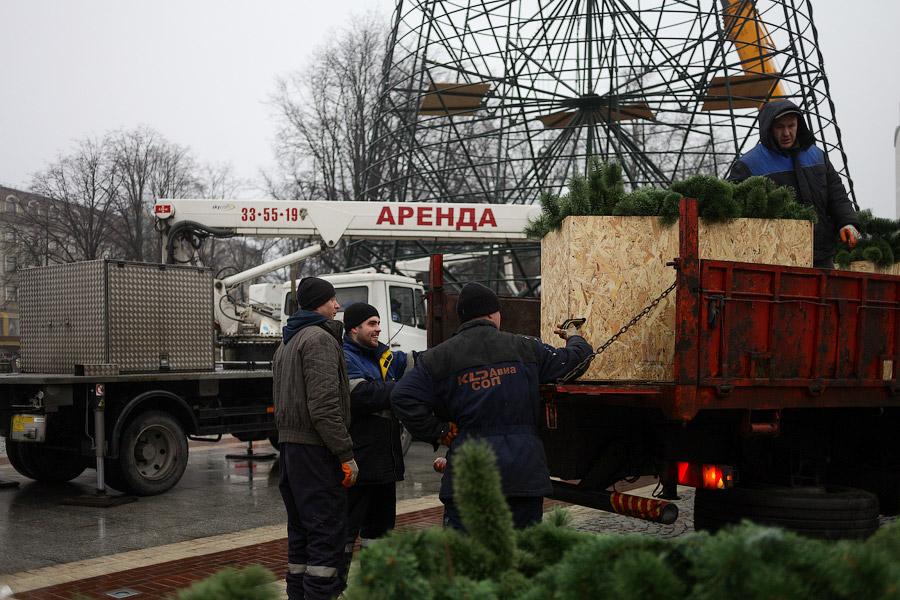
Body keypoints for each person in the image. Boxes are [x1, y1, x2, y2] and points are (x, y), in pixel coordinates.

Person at [391, 282, 593, 530]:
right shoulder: (526, 347)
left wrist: (439, 431)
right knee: (522, 558)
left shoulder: (438, 357)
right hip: (522, 475)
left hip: (469, 476)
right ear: (492, 314)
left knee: (467, 560)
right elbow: (575, 361)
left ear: (463, 317)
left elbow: (402, 396)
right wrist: (574, 337)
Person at [272, 276, 358, 600]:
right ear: (320, 303)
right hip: (316, 453)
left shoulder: (286, 343)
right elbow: (323, 407)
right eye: (333, 299)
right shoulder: (319, 340)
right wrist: (345, 453)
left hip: (291, 453)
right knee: (325, 536)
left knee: (301, 537)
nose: (337, 306)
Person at [727, 98, 860, 269]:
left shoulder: (817, 156)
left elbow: (837, 195)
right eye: (780, 127)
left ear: (799, 124)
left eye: (791, 126)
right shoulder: (749, 165)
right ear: (769, 128)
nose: (787, 133)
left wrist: (847, 222)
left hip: (821, 255)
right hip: (774, 259)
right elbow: (734, 211)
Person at [339, 302, 409, 575]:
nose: (378, 328)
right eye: (371, 323)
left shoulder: (384, 356)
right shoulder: (345, 357)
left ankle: (374, 584)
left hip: (384, 465)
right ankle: (336, 587)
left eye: (379, 323)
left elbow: (419, 363)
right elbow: (362, 396)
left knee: (380, 532)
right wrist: (404, 389)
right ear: (354, 328)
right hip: (360, 461)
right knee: (346, 531)